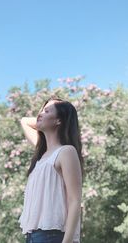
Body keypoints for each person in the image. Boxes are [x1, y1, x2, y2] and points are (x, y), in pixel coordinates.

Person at [18, 97, 84, 243]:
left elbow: (75, 200)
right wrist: (45, 116)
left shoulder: (66, 152)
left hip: (52, 236)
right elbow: (24, 121)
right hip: (32, 236)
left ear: (59, 121)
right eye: (41, 110)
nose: (40, 114)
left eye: (47, 111)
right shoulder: (42, 154)